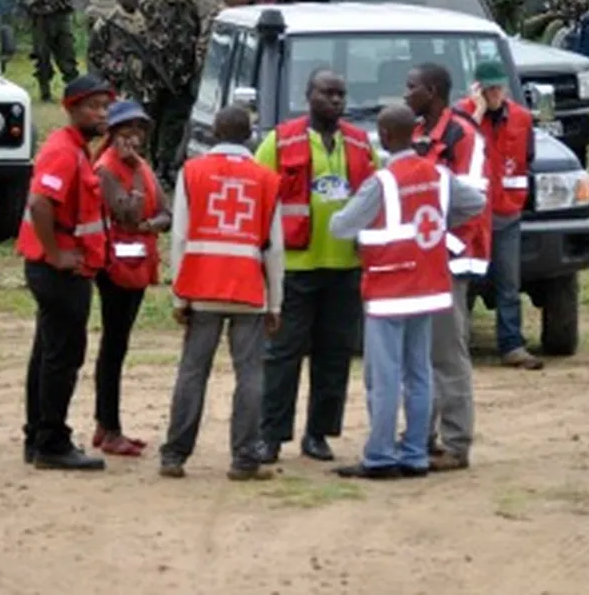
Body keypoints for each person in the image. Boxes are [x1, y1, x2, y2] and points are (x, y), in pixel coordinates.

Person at [327, 105, 487, 480]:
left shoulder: (382, 183)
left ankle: (381, 455)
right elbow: (476, 203)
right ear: (413, 133)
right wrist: (440, 222)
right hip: (429, 287)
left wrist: (339, 211)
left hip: (388, 288)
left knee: (384, 378)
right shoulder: (439, 175)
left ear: (384, 136)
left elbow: (341, 227)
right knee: (420, 373)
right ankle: (415, 453)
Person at [254, 70, 378, 463]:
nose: (335, 100)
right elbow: (259, 192)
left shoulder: (360, 143)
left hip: (345, 266)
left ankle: (319, 433)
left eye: (341, 94)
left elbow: (375, 196)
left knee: (334, 355)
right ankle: (271, 435)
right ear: (308, 95)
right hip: (295, 267)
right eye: (327, 93)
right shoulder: (280, 140)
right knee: (282, 354)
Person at [159, 106, 285, 481]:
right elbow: (275, 248)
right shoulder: (267, 179)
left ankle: (174, 455)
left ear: (213, 132)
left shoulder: (192, 172)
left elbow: (180, 238)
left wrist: (179, 297)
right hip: (248, 288)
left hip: (201, 286)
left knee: (192, 371)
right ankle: (245, 458)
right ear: (250, 136)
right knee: (250, 374)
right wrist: (275, 303)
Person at [14, 74, 115, 471]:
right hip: (59, 272)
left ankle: (38, 436)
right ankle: (52, 443)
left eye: (106, 106)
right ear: (71, 109)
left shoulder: (76, 150)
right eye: (94, 107)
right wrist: (56, 255)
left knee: (47, 354)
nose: (103, 114)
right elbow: (41, 203)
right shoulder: (63, 151)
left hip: (60, 269)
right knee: (62, 357)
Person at [406, 62, 489, 472]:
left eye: (412, 87)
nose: (406, 94)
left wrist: (443, 248)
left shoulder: (463, 136)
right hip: (422, 257)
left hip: (452, 259)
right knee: (419, 353)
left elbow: (471, 204)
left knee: (447, 353)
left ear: (433, 91)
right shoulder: (418, 134)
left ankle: (456, 442)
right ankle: (422, 436)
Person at [91, 101, 171, 457]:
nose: (134, 137)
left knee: (118, 344)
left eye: (139, 130)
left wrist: (148, 225)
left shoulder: (142, 167)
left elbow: (165, 213)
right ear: (113, 134)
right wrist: (137, 181)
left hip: (138, 264)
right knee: (113, 345)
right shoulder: (107, 170)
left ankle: (106, 424)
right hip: (114, 268)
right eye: (127, 130)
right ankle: (109, 428)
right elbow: (126, 213)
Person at [455, 58, 541, 369]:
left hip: (506, 212)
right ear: (477, 89)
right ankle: (457, 346)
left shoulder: (521, 118)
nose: (495, 94)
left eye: (498, 88)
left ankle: (512, 345)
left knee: (508, 283)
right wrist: (477, 114)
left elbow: (527, 158)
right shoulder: (462, 116)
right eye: (488, 89)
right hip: (470, 217)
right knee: (463, 281)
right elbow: (458, 146)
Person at [139, 0, 203, 188]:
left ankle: (167, 166)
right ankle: (151, 165)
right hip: (155, 76)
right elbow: (141, 35)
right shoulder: (150, 3)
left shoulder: (187, 2)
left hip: (181, 75)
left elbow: (196, 30)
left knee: (175, 122)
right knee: (152, 121)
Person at [87, 0, 148, 99]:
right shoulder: (108, 20)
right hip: (115, 79)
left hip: (140, 79)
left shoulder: (144, 19)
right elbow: (94, 53)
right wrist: (115, 68)